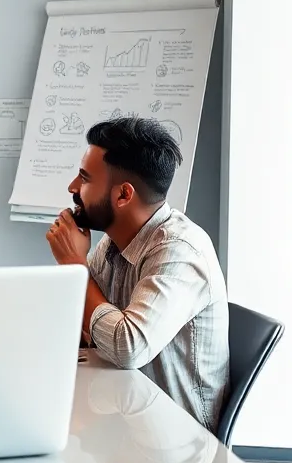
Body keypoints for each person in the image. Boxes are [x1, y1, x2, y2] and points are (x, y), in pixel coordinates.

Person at [45, 117, 229, 431]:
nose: (73, 188)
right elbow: (89, 329)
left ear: (123, 195)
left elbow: (128, 347)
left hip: (176, 439)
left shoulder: (180, 251)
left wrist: (76, 266)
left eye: (85, 179)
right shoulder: (114, 242)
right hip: (123, 412)